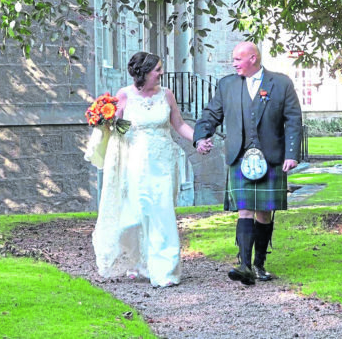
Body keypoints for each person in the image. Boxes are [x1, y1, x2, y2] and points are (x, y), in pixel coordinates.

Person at [194, 42, 302, 285]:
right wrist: (201, 136)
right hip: (240, 156)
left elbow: (293, 120)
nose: (233, 63)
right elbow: (212, 114)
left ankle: (259, 264)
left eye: (238, 59)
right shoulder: (227, 85)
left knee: (264, 213)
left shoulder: (281, 83)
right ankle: (244, 265)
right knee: (244, 210)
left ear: (253, 58)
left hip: (271, 156)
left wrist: (291, 154)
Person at [85, 52, 194, 288]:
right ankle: (138, 260)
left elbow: (179, 124)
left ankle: (165, 270)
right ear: (143, 73)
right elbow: (118, 129)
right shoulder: (124, 95)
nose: (161, 73)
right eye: (157, 70)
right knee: (136, 214)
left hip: (163, 162)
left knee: (162, 212)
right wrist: (105, 121)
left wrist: (198, 140)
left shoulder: (167, 95)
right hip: (135, 162)